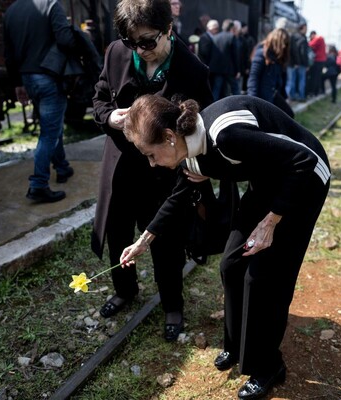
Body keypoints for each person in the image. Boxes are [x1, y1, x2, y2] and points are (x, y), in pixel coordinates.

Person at [120, 93, 330, 399]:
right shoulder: (187, 146)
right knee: (231, 266)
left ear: (168, 137)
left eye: (150, 155)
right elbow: (180, 194)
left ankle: (269, 366)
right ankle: (236, 346)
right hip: (268, 179)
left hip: (303, 180)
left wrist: (270, 222)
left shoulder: (225, 136)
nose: (151, 164)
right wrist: (144, 240)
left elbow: (303, 159)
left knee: (263, 277)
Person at [91, 0, 213, 342]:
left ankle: (173, 305)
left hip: (164, 174)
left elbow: (203, 127)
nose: (140, 50)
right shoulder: (116, 53)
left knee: (166, 242)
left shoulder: (192, 70)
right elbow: (99, 98)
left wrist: (199, 168)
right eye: (132, 42)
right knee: (118, 233)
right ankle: (124, 290)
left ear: (169, 30)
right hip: (120, 168)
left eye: (148, 41)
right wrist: (110, 117)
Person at [3, 0, 77, 204]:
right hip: (49, 75)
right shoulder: (51, 5)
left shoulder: (11, 11)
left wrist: (17, 83)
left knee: (52, 125)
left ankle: (62, 167)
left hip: (28, 78)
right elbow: (65, 39)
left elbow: (8, 54)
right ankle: (38, 185)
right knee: (49, 132)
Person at [247, 28, 291, 108]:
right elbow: (254, 77)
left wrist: (284, 97)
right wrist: (252, 101)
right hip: (263, 98)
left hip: (273, 98)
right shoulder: (261, 54)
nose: (284, 46)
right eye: (283, 43)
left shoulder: (279, 57)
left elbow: (281, 80)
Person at [211, 19, 241, 100]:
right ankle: (240, 104)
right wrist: (237, 70)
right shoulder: (232, 37)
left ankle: (212, 107)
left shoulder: (215, 37)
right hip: (229, 69)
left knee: (216, 90)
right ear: (231, 28)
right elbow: (235, 54)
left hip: (217, 69)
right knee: (235, 89)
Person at [286, 23, 309, 102]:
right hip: (301, 63)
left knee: (292, 80)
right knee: (301, 80)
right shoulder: (303, 38)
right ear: (302, 28)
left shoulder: (293, 37)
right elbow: (303, 53)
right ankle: (301, 96)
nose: (307, 30)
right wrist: (306, 64)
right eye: (306, 29)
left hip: (293, 62)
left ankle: (291, 96)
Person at [307, 30, 326, 96]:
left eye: (311, 37)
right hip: (321, 61)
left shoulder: (318, 38)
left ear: (313, 35)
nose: (311, 38)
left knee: (314, 77)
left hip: (318, 61)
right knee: (318, 77)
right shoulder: (320, 39)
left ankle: (313, 92)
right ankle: (317, 92)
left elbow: (309, 44)